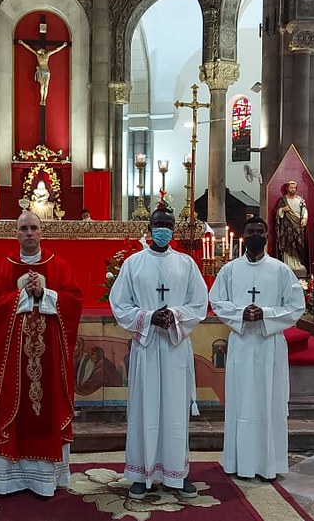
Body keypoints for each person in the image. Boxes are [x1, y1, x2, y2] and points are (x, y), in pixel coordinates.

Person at [108, 206, 208, 500]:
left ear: (174, 228)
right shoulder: (133, 264)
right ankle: (141, 475)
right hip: (147, 346)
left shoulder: (186, 264)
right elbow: (120, 304)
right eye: (158, 224)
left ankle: (177, 474)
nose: (163, 228)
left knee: (176, 412)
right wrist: (149, 317)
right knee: (144, 409)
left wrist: (174, 315)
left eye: (168, 223)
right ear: (149, 227)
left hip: (176, 348)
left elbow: (199, 303)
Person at [0, 210, 83, 497]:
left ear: (42, 232)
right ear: (16, 233)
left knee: (47, 406)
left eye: (34, 228)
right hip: (13, 358)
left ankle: (47, 478)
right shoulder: (5, 267)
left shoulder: (58, 265)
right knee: (13, 408)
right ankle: (10, 478)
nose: (29, 233)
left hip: (49, 357)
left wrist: (44, 293)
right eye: (23, 228)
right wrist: (22, 295)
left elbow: (74, 301)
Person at [207, 217, 305, 481]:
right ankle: (239, 462)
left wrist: (266, 314)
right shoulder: (230, 270)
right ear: (243, 234)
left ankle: (268, 464)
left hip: (269, 344)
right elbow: (216, 300)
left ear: (267, 235)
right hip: (241, 343)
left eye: (260, 232)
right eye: (250, 231)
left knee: (269, 401)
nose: (255, 235)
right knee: (241, 402)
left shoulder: (280, 270)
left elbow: (296, 306)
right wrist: (241, 314)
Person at [17, 39, 69, 106]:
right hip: (41, 71)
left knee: (46, 86)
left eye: (41, 50)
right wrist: (22, 43)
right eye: (39, 50)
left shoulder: (47, 54)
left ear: (43, 50)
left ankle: (44, 100)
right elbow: (29, 48)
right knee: (42, 86)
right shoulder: (37, 55)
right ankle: (42, 99)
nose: (40, 51)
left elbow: (56, 50)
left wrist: (63, 46)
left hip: (46, 72)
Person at [274, 180, 308, 276]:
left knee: (298, 245)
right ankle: (288, 264)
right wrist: (282, 210)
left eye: (294, 188)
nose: (292, 189)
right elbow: (277, 212)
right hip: (286, 227)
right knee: (288, 244)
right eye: (291, 187)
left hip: (298, 226)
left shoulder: (300, 200)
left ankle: (298, 264)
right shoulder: (283, 200)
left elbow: (304, 210)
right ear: (287, 188)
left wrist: (304, 218)